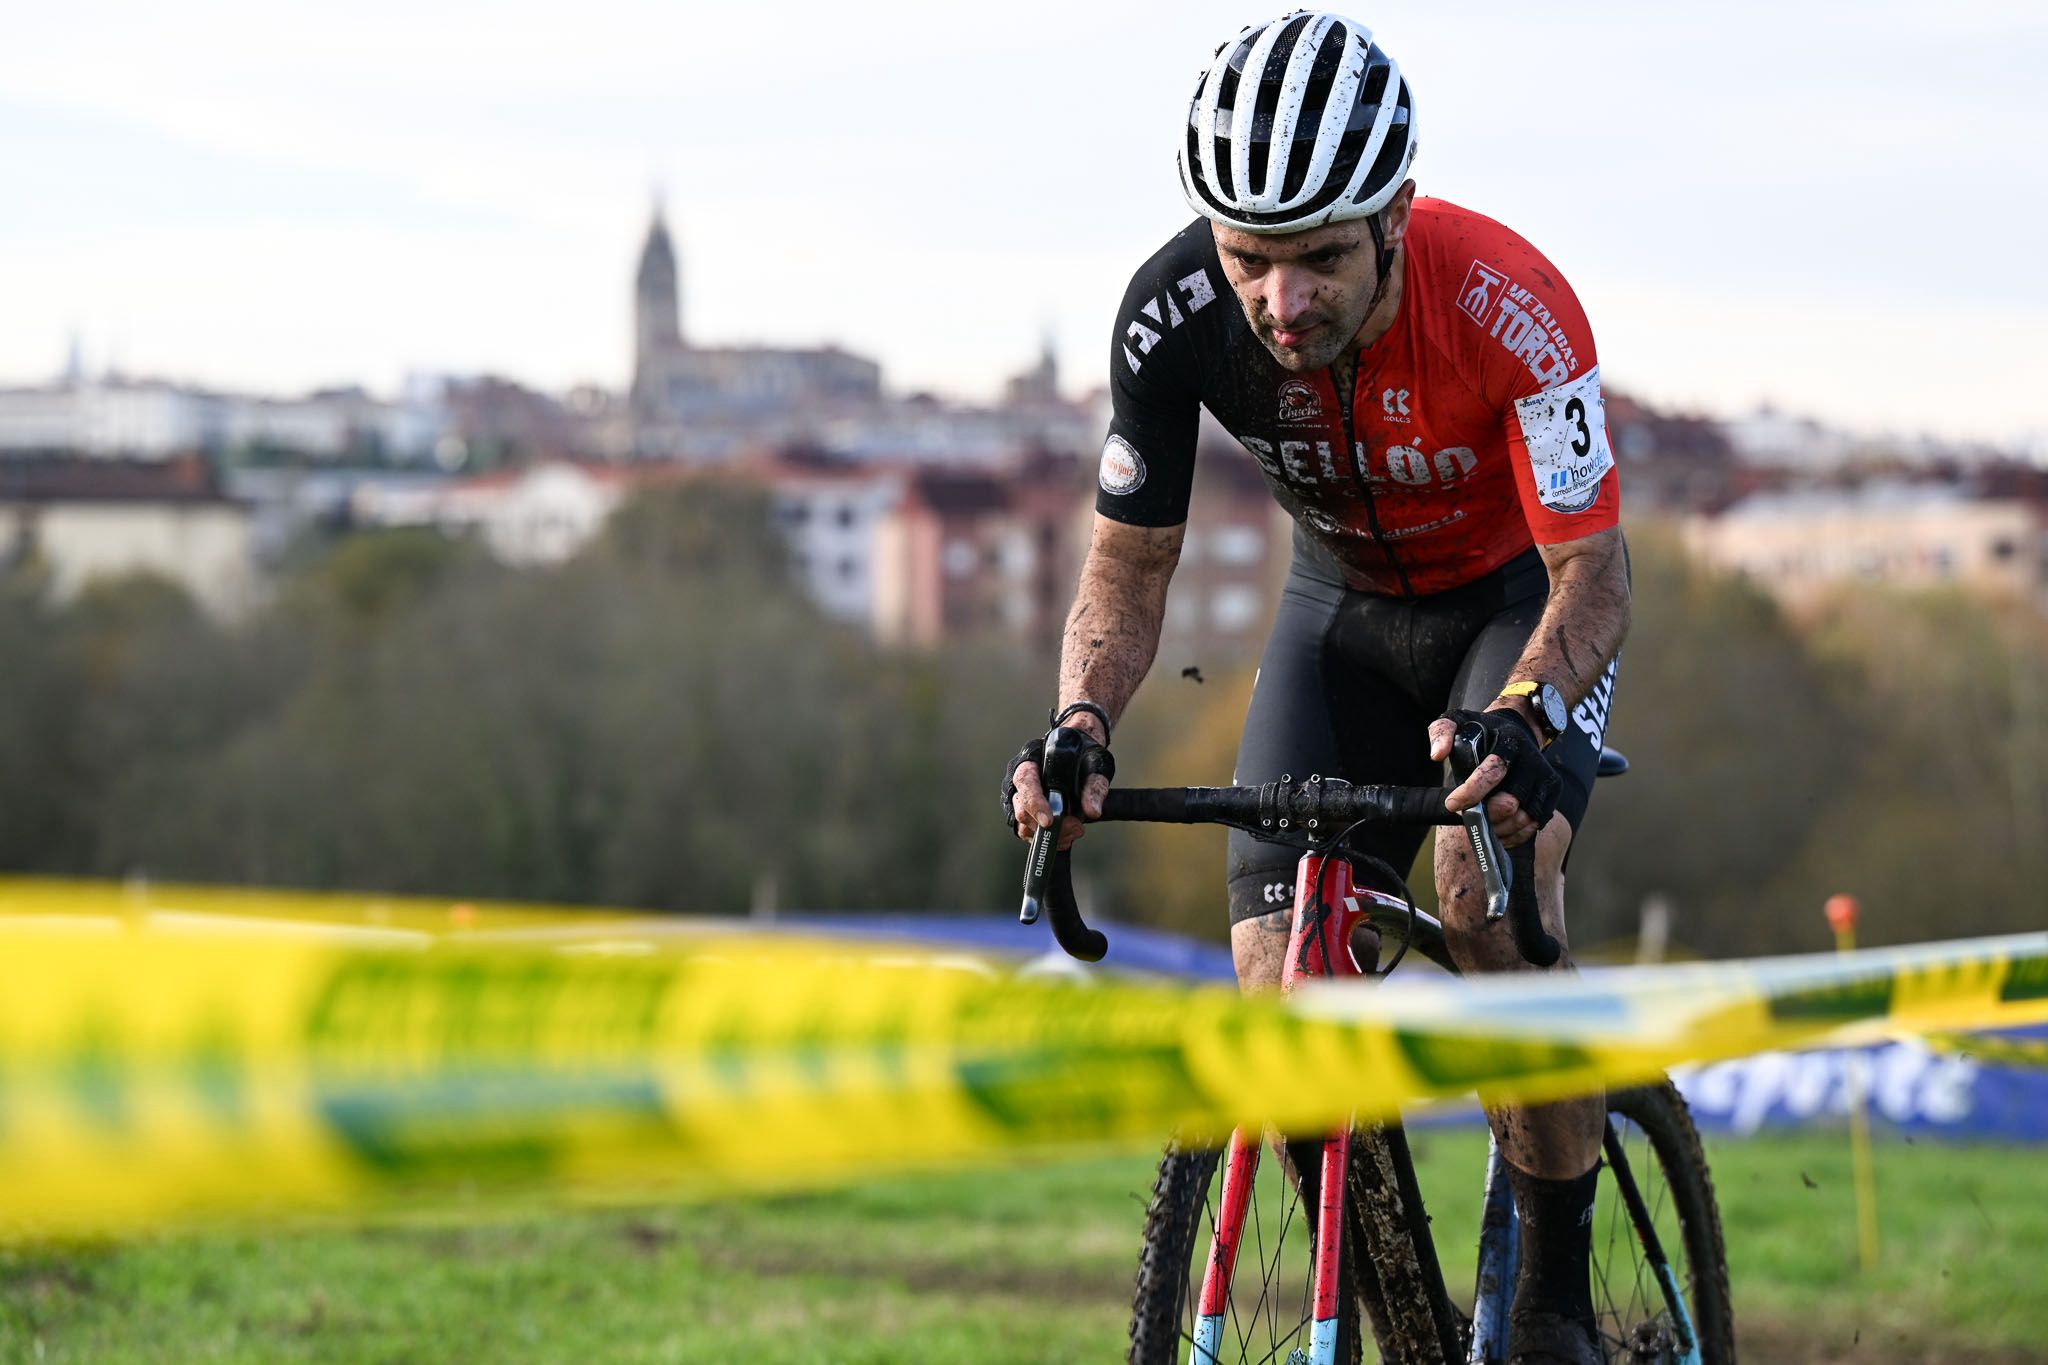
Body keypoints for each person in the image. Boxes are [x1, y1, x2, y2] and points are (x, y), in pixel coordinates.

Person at [1002, 12, 1629, 1364]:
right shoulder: (1170, 317)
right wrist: (1081, 723)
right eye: (1249, 261)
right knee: (1271, 977)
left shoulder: (1510, 303)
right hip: (1337, 609)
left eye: (1322, 258)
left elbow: (1596, 579)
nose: (1281, 303)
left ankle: (1554, 1309)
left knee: (1482, 901)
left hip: (1512, 613)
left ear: (1395, 214)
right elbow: (1123, 574)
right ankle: (1408, 1320)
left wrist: (1526, 715)